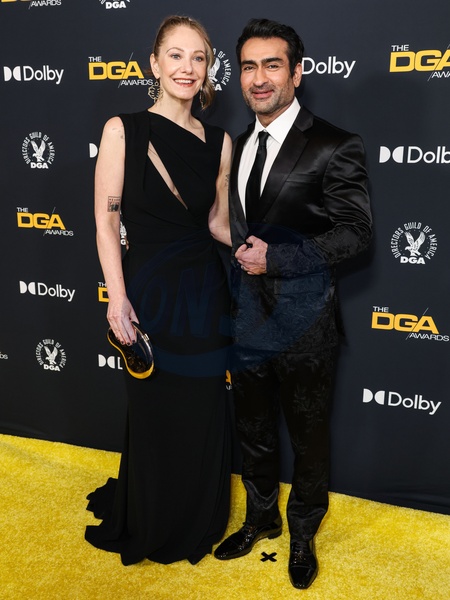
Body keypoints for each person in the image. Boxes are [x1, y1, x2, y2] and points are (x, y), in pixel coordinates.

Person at [214, 18, 372, 589]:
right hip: (245, 320)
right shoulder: (236, 145)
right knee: (253, 429)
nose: (259, 78)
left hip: (307, 326)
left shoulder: (334, 143)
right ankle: (262, 519)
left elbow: (356, 232)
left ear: (297, 73)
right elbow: (233, 227)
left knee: (307, 437)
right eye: (248, 66)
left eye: (272, 65)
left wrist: (277, 259)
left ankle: (303, 530)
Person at [85, 15, 232, 566]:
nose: (187, 68)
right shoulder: (122, 130)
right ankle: (151, 518)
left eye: (198, 57)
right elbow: (106, 223)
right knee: (154, 408)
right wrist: (117, 297)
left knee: (201, 407)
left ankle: (196, 517)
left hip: (203, 291)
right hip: (147, 288)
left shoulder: (219, 142)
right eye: (176, 55)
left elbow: (217, 223)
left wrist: (275, 245)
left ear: (208, 68)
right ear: (154, 63)